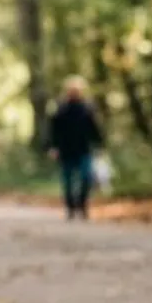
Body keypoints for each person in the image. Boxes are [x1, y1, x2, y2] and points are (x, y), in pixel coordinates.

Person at [45, 76, 104, 219]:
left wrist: (100, 145)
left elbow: (94, 129)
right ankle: (70, 208)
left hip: (84, 149)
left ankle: (82, 205)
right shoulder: (60, 109)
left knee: (86, 177)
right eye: (72, 90)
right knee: (68, 181)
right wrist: (52, 147)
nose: (74, 92)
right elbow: (53, 130)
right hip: (65, 150)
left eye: (77, 90)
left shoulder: (87, 108)